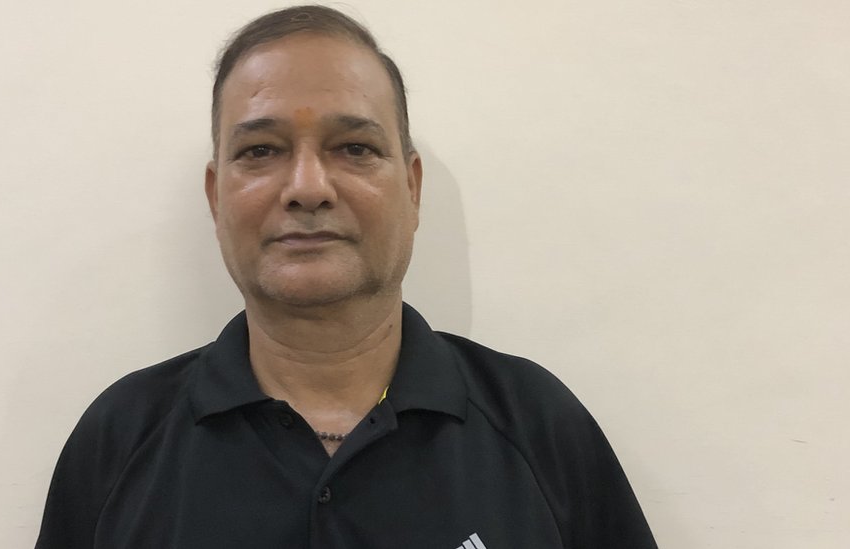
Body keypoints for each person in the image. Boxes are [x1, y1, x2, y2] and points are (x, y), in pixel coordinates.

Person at [35, 5, 657, 548]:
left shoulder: (540, 427)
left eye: (354, 148)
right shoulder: (119, 441)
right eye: (260, 150)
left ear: (412, 189)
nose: (308, 187)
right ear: (215, 197)